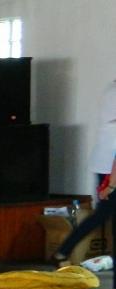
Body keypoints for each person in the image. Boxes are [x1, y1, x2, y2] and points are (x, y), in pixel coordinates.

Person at [52, 78, 116, 266]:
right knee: (103, 213)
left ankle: (63, 251)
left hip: (105, 163)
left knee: (105, 213)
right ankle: (63, 251)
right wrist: (111, 185)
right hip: (108, 166)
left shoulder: (111, 89)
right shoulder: (113, 92)